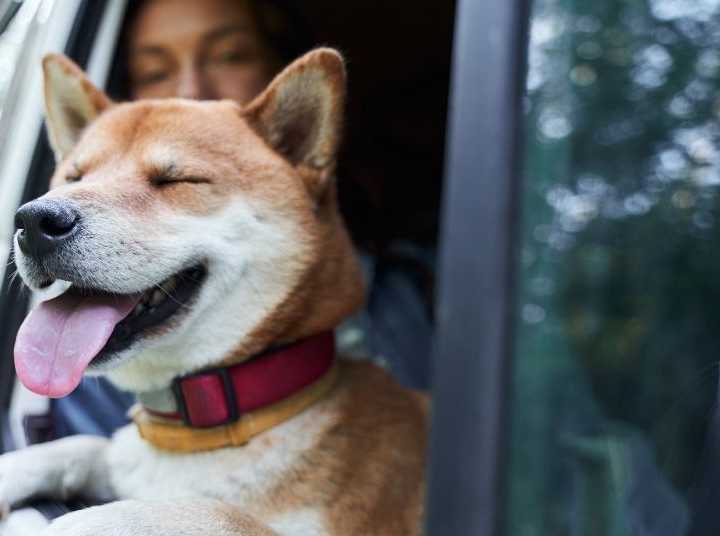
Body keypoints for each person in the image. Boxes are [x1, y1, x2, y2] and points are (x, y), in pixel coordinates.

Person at [50, 0, 433, 438]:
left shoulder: (422, 273)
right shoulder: (88, 335)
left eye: (231, 55)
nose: (190, 89)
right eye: (154, 73)